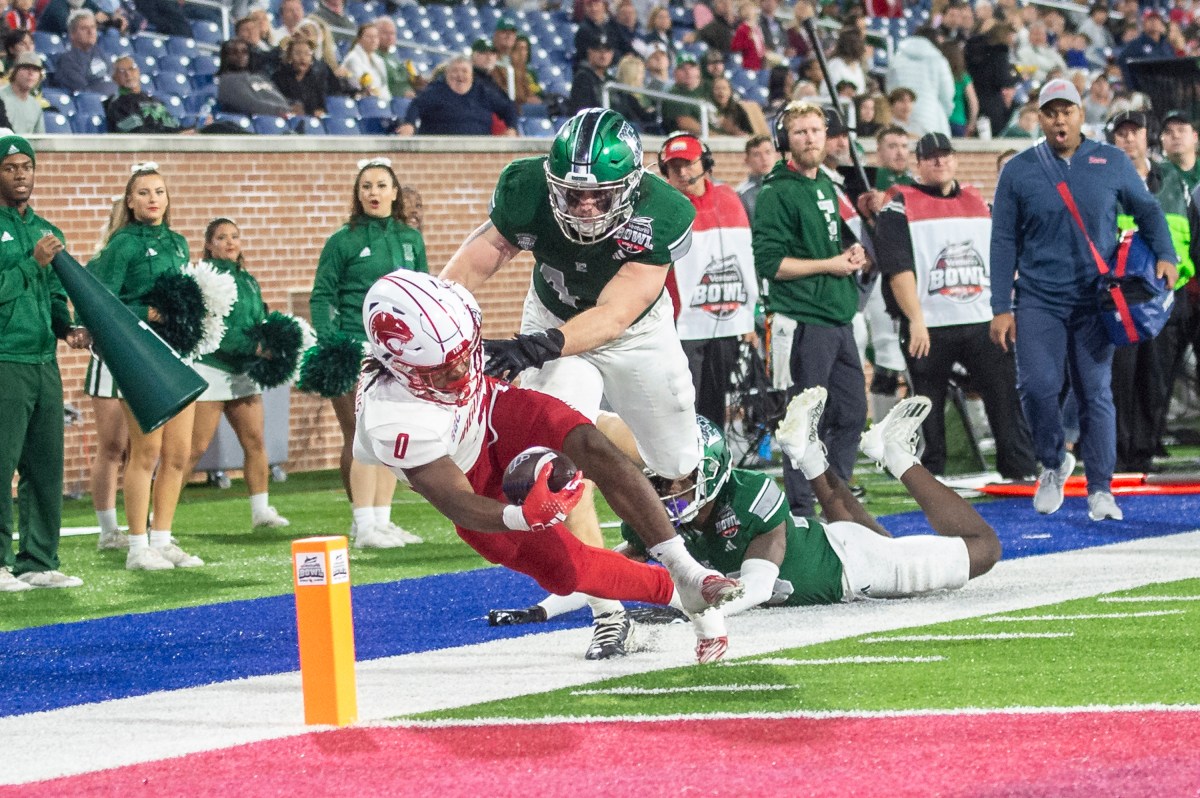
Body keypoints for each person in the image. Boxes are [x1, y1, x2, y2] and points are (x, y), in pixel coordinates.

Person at [354, 271, 743, 662]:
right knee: (570, 570)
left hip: (493, 411)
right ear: (399, 367)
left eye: (465, 354)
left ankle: (688, 569)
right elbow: (455, 500)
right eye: (443, 370)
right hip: (471, 480)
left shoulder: (453, 320)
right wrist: (521, 517)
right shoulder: (393, 419)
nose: (462, 372)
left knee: (588, 442)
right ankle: (681, 595)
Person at [439, 108, 705, 641]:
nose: (584, 207)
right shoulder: (525, 185)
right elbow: (485, 253)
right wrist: (437, 315)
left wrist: (537, 347)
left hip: (634, 332)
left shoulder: (665, 210)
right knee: (550, 461)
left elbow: (612, 315)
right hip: (551, 317)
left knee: (678, 465)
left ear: (631, 185)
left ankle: (604, 430)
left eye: (600, 195)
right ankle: (606, 609)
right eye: (573, 193)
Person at [497, 389, 1000, 624]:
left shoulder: (750, 495)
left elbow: (757, 588)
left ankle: (898, 458)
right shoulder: (660, 516)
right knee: (862, 528)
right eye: (655, 476)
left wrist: (689, 607)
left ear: (710, 468)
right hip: (834, 550)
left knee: (984, 550)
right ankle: (813, 454)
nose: (663, 487)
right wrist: (541, 609)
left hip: (849, 567)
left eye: (676, 476)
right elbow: (603, 570)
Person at [989, 79, 1177, 522]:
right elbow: (1001, 241)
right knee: (1037, 387)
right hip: (1038, 298)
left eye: (1067, 110)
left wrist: (1166, 255)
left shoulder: (1110, 160)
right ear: (1039, 116)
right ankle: (1053, 463)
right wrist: (1000, 306)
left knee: (1096, 393)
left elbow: (1148, 211)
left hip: (1096, 299)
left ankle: (1100, 489)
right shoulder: (1018, 170)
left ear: (1080, 115)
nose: (1059, 119)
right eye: (1051, 111)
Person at [873, 132, 1036, 479]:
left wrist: (1005, 310)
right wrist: (915, 319)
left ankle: (1019, 469)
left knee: (1005, 398)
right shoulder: (898, 205)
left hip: (983, 319)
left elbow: (1003, 257)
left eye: (945, 155)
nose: (940, 161)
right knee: (928, 408)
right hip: (929, 324)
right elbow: (898, 269)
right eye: (931, 157)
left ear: (955, 159)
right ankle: (930, 477)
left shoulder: (981, 203)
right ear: (918, 164)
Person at [85, 163, 204, 570]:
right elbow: (97, 300)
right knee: (145, 451)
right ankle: (137, 546)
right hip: (141, 356)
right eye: (144, 193)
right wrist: (147, 312)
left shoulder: (178, 243)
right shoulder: (122, 245)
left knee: (178, 453)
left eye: (159, 192)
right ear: (130, 203)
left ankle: (163, 538)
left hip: (178, 355)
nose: (153, 199)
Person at [753, 100, 867, 517]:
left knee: (853, 413)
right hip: (802, 321)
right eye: (800, 131)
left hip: (838, 315)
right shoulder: (776, 191)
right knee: (804, 421)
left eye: (816, 130)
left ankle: (834, 495)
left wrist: (848, 256)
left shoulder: (825, 185)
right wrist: (830, 265)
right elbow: (770, 264)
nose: (810, 138)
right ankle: (802, 508)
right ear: (786, 140)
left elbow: (824, 248)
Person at [309, 158, 427, 548]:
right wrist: (331, 342)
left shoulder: (411, 240)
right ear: (358, 196)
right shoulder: (342, 240)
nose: (373, 193)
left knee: (391, 435)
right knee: (361, 434)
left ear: (395, 192)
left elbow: (423, 294)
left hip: (399, 353)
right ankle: (363, 522)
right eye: (366, 187)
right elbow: (322, 294)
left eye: (380, 185)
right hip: (354, 346)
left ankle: (381, 520)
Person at [0, 134, 89, 591]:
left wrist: (67, 328)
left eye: (26, 166)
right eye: (11, 167)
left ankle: (37, 560)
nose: (20, 175)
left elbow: (56, 294)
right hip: (5, 359)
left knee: (44, 464)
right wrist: (32, 264)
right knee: (1, 463)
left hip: (43, 362)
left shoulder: (46, 228)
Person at [184, 218, 290, 531]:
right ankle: (156, 520)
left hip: (243, 371)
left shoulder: (249, 281)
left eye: (234, 236)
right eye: (221, 237)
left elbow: (259, 320)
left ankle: (261, 511)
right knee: (195, 448)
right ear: (209, 245)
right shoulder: (204, 279)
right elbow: (216, 330)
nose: (229, 242)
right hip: (213, 367)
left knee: (255, 441)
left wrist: (273, 338)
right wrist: (255, 348)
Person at [1108, 110, 1194, 474]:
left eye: (1135, 132)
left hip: (1170, 295)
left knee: (1156, 377)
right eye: (1121, 133)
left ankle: (1143, 450)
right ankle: (1119, 452)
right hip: (1121, 296)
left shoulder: (1175, 180)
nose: (1129, 139)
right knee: (1120, 377)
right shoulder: (1104, 182)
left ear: (1147, 137)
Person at [658, 132, 758, 429]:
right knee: (682, 403)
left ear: (706, 163)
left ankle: (712, 464)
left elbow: (745, 258)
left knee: (716, 404)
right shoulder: (664, 206)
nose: (682, 172)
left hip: (725, 319)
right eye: (674, 167)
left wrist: (751, 315)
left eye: (688, 164)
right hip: (680, 323)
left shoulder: (729, 198)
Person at [398, 56, 517, 136]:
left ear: (472, 75)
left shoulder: (483, 92)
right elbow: (416, 105)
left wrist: (512, 128)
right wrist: (409, 124)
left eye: (464, 71)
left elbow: (508, 107)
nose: (460, 75)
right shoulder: (435, 90)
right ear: (447, 74)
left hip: (478, 152)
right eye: (455, 71)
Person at [886, 26, 954, 138]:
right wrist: (945, 114)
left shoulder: (897, 57)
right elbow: (947, 94)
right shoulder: (938, 60)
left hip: (900, 120)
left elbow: (891, 90)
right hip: (932, 118)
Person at [105, 56, 184, 133]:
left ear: (138, 72)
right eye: (122, 71)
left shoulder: (155, 101)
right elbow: (135, 133)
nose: (128, 74)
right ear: (114, 78)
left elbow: (174, 128)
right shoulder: (115, 104)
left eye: (131, 69)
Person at [217, 38, 293, 118]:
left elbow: (277, 97)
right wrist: (282, 110)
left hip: (282, 117)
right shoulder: (227, 81)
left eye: (244, 52)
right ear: (225, 56)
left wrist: (292, 105)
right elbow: (249, 104)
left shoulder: (259, 77)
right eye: (234, 52)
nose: (240, 55)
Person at [51, 10, 115, 95]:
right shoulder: (67, 60)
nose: (90, 32)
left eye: (93, 27)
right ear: (72, 34)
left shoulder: (101, 53)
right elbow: (84, 91)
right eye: (84, 28)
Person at [272, 35, 332, 117]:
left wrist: (318, 112)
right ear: (290, 57)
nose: (302, 58)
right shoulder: (279, 77)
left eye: (307, 54)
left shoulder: (317, 79)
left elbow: (321, 107)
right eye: (298, 53)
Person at [1118, 9, 1173, 91]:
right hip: (1146, 89)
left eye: (1157, 20)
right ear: (1143, 24)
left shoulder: (1166, 45)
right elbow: (1123, 60)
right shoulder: (1136, 44)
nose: (1154, 23)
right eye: (1150, 20)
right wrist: (1132, 88)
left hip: (1167, 89)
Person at [567, 30, 615, 115]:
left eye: (607, 51)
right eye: (598, 50)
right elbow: (583, 111)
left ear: (612, 54)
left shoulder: (611, 80)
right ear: (589, 52)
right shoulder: (583, 78)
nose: (603, 55)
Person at [660, 53, 708, 134]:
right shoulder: (673, 96)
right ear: (674, 73)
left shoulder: (708, 88)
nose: (688, 72)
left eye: (691, 67)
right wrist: (718, 137)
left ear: (698, 71)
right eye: (682, 68)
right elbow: (685, 123)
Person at [341, 22, 389, 101]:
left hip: (379, 101)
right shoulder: (353, 58)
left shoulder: (380, 61)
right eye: (369, 37)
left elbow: (384, 86)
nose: (373, 40)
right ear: (359, 39)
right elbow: (358, 84)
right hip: (361, 100)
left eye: (376, 37)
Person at [0, 52, 45, 135]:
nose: (31, 73)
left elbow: (39, 139)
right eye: (26, 68)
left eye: (35, 70)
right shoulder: (1, 96)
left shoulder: (35, 106)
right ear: (14, 72)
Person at [736, 133, 776, 219]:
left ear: (775, 155)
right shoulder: (742, 194)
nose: (764, 158)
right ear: (747, 160)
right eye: (756, 155)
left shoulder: (788, 187)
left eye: (768, 152)